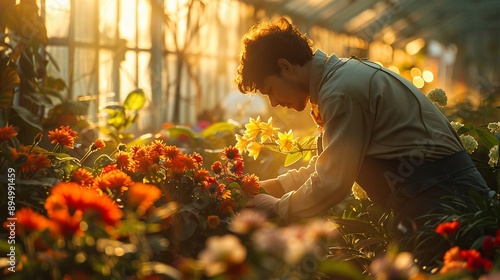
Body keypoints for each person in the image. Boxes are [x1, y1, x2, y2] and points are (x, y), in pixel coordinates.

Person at [235, 17, 491, 236]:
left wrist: (278, 207)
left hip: (443, 196)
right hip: (436, 192)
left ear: (285, 67)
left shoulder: (339, 92)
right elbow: (329, 164)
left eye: (269, 91)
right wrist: (267, 188)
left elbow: (333, 182)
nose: (275, 102)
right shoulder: (337, 80)